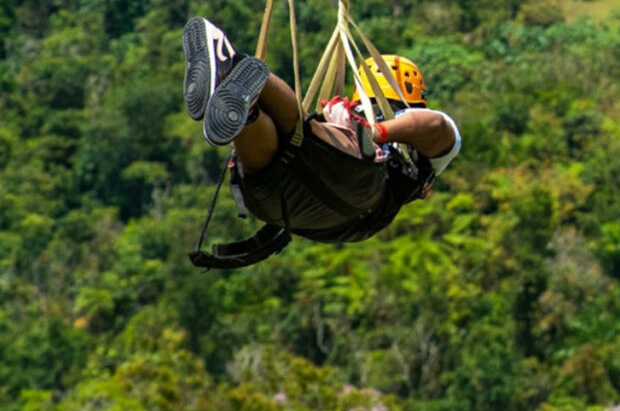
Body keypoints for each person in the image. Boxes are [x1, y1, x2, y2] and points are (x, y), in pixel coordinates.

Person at [182, 16, 461, 248]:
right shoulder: (357, 121)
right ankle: (246, 108)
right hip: (285, 205)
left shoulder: (420, 145)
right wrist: (351, 127)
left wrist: (367, 131)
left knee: (302, 134)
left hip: (350, 197)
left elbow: (434, 126)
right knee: (288, 148)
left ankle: (234, 65)